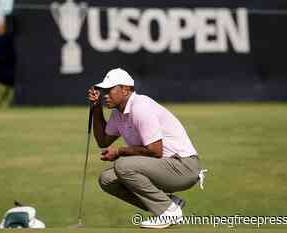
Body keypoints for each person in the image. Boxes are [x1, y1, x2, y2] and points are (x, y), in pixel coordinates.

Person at [87, 68, 207, 229]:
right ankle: (169, 203)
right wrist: (95, 107)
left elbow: (155, 150)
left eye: (109, 90)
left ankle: (167, 211)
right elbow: (102, 141)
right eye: (104, 91)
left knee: (123, 165)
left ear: (126, 89)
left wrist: (120, 151)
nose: (105, 95)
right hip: (165, 167)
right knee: (107, 180)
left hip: (184, 167)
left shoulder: (140, 106)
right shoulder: (118, 113)